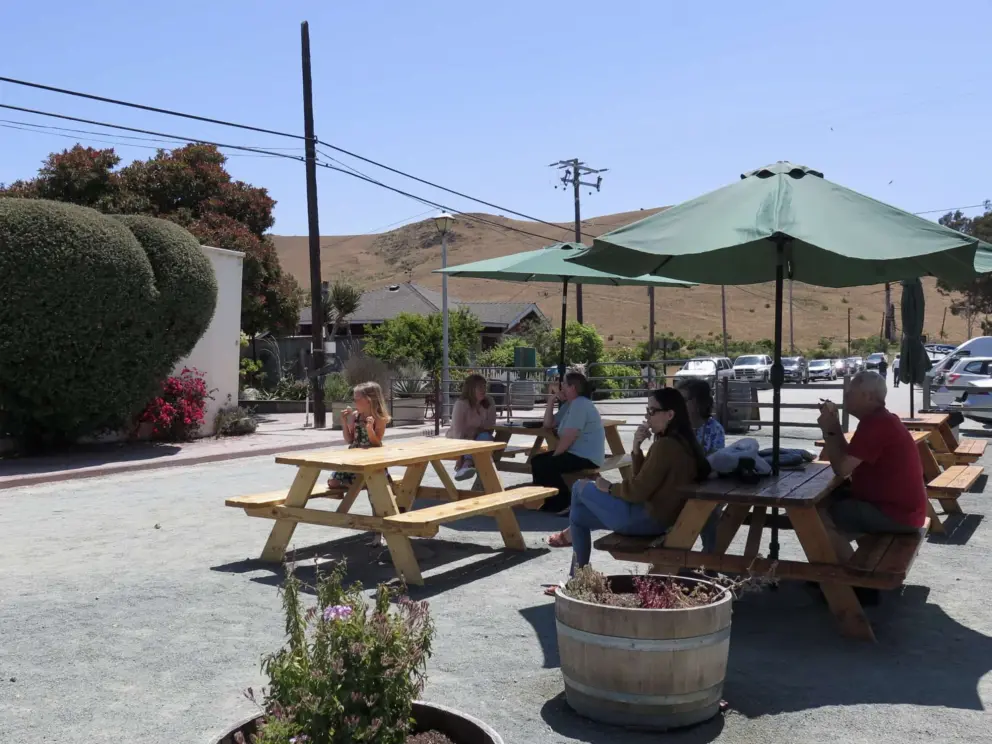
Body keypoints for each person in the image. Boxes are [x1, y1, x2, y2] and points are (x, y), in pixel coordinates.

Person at [547, 387, 711, 585]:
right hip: (661, 519)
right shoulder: (685, 442)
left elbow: (636, 492)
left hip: (646, 519)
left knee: (579, 488)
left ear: (670, 414)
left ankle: (577, 577)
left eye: (652, 411)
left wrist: (608, 487)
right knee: (579, 518)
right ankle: (576, 578)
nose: (647, 416)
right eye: (646, 410)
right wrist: (636, 448)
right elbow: (646, 481)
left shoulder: (665, 446)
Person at [817, 370, 927, 536]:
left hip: (898, 514)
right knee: (827, 503)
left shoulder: (876, 424)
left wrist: (829, 430)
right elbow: (849, 457)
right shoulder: (880, 419)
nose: (845, 396)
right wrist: (834, 427)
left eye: (850, 393)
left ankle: (838, 561)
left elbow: (842, 469)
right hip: (902, 510)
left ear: (867, 396)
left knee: (818, 516)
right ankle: (843, 556)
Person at [530, 370, 605, 513]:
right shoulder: (570, 405)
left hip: (586, 457)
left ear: (572, 388)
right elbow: (548, 424)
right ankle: (553, 502)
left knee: (544, 464)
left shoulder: (580, 405)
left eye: (564, 383)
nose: (561, 386)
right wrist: (551, 401)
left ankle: (564, 503)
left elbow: (569, 437)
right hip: (578, 454)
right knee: (537, 461)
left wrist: (555, 456)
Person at [327, 381, 390, 490]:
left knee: (374, 483)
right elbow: (350, 440)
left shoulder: (379, 419)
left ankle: (361, 484)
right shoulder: (356, 416)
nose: (354, 402)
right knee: (332, 482)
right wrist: (344, 422)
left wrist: (370, 429)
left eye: (357, 399)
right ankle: (360, 484)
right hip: (354, 456)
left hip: (371, 457)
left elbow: (376, 443)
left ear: (368, 400)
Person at [447, 373, 497, 480]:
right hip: (461, 440)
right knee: (482, 445)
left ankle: (468, 464)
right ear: (471, 389)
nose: (483, 390)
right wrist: (460, 457)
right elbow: (458, 433)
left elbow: (490, 427)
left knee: (485, 437)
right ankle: (473, 466)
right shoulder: (461, 405)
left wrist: (476, 434)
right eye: (480, 387)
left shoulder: (489, 402)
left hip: (480, 438)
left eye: (485, 386)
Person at [677, 378, 726, 454]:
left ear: (699, 401)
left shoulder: (715, 429)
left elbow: (716, 461)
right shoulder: (673, 427)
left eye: (683, 400)